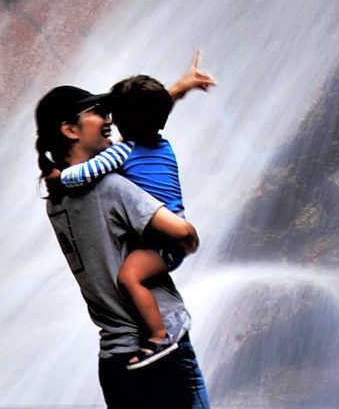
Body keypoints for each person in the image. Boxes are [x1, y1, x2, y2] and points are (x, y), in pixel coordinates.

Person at [37, 75, 213, 407]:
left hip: (115, 362)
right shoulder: (112, 188)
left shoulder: (56, 202)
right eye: (97, 112)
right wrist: (188, 242)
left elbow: (138, 123)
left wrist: (176, 90)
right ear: (70, 129)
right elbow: (183, 233)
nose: (108, 119)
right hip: (163, 354)